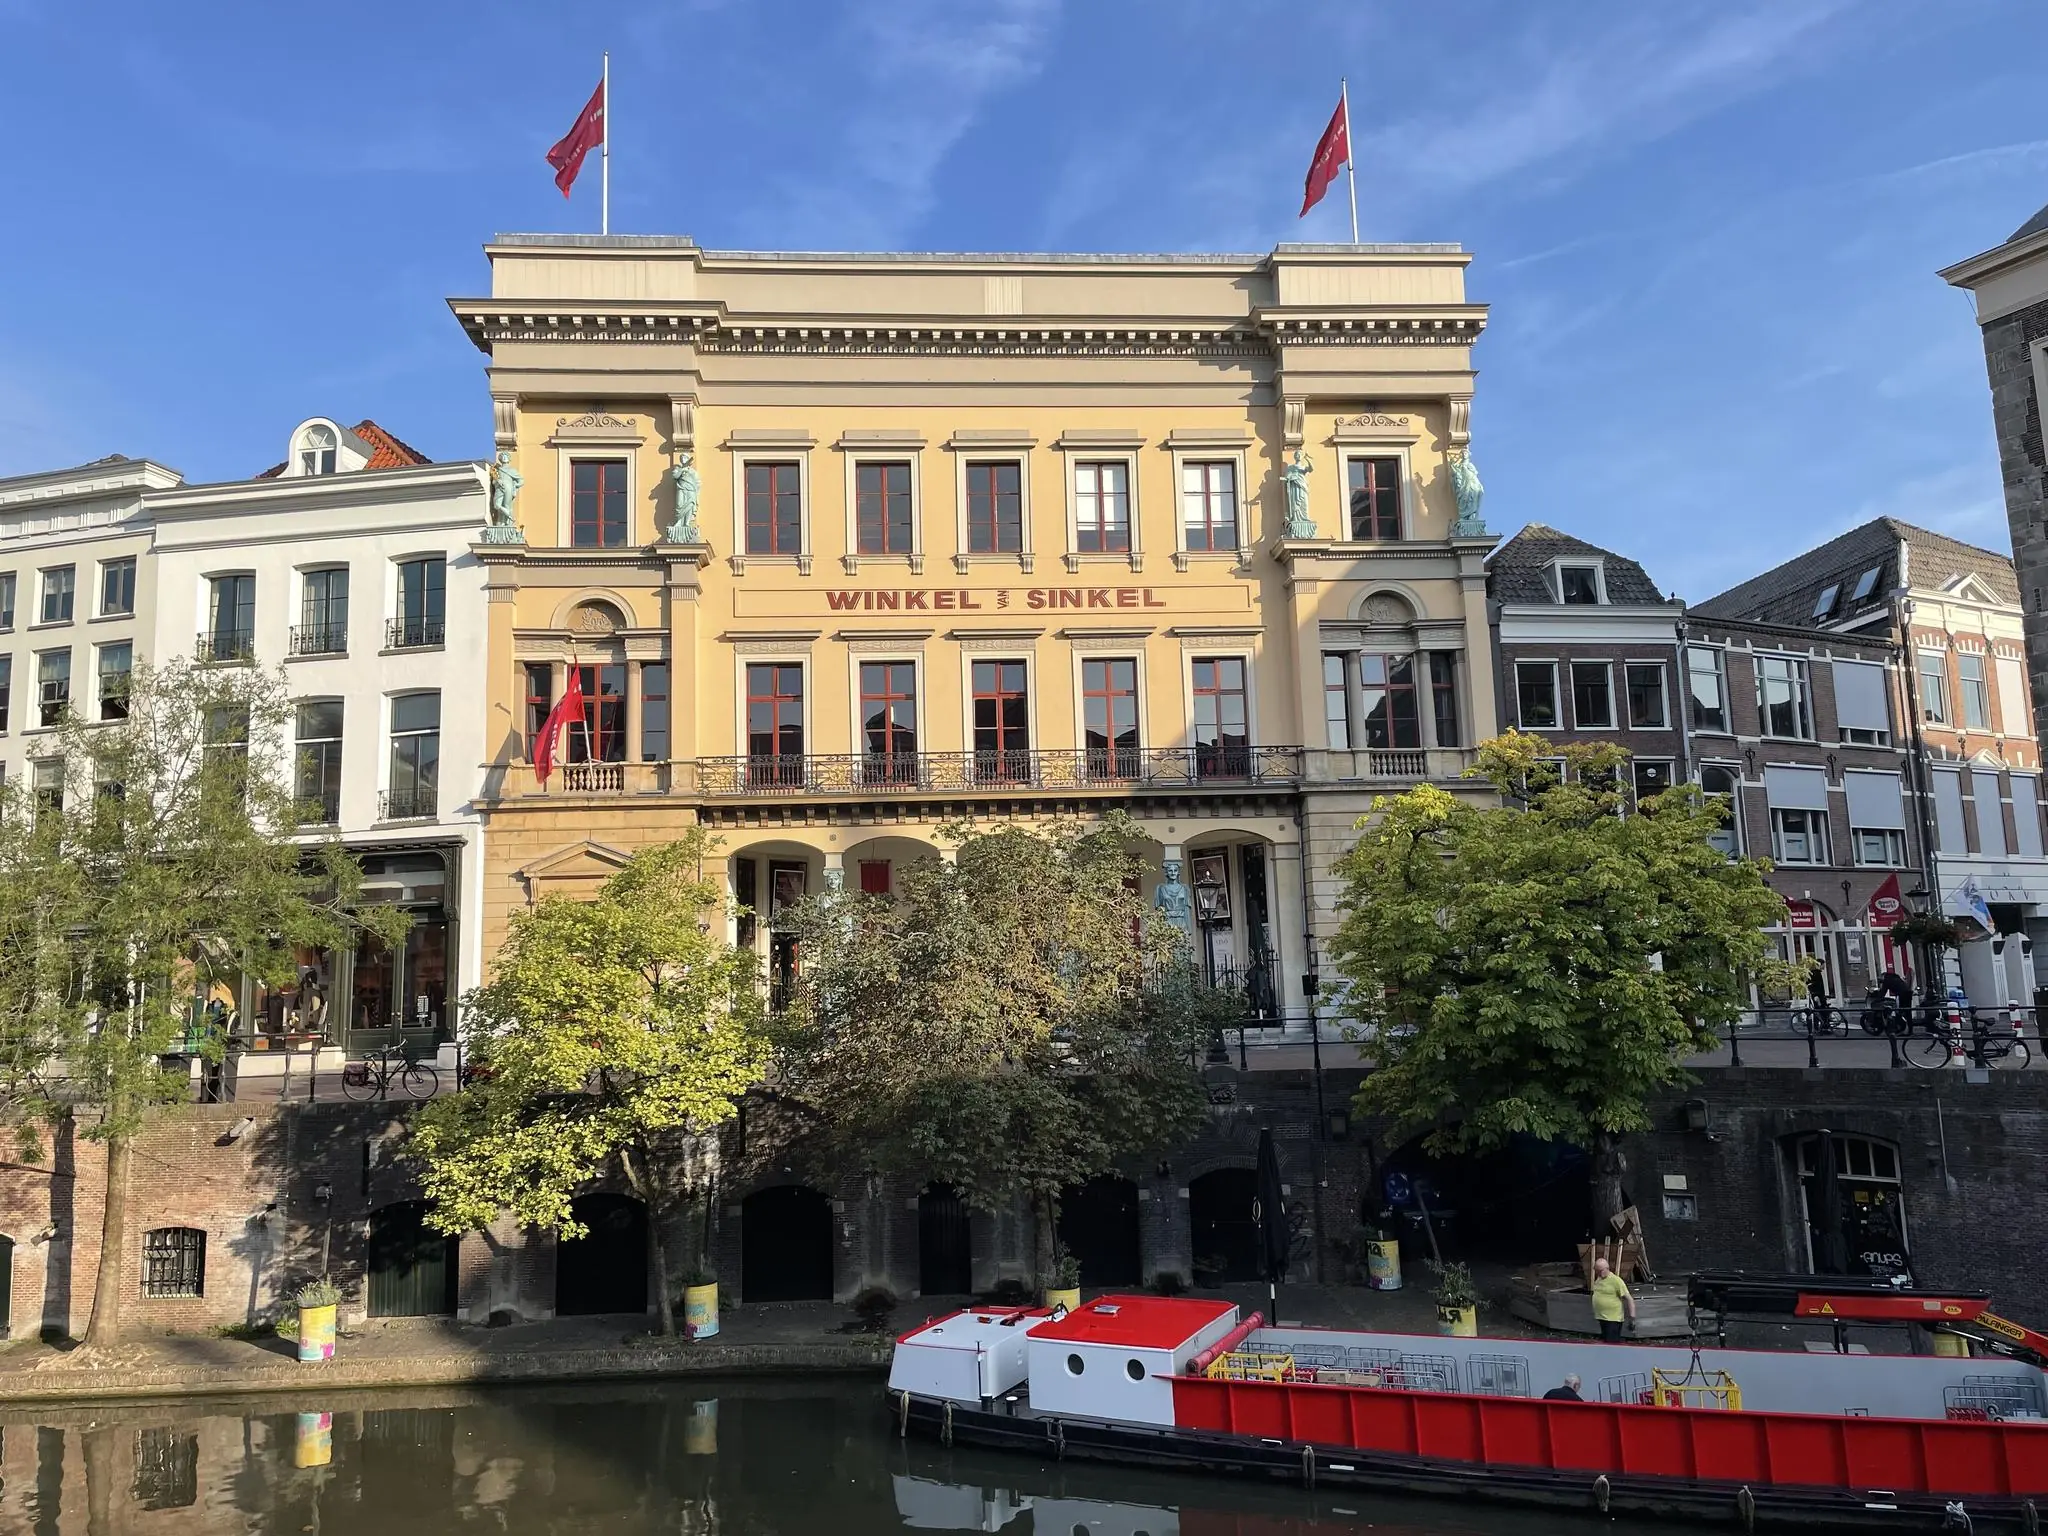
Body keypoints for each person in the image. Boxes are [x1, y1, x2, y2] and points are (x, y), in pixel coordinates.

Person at [1590, 1255, 1635, 1342]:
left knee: (1611, 1343)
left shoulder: (1616, 1281)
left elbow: (1629, 1299)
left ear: (1606, 1268)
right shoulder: (1598, 1279)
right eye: (1596, 1271)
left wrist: (1632, 1318)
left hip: (1613, 1319)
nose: (1598, 1273)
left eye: (1600, 1271)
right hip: (1602, 1317)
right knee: (1605, 1341)